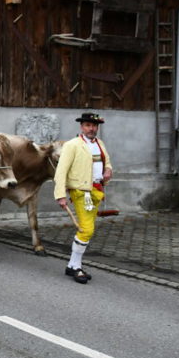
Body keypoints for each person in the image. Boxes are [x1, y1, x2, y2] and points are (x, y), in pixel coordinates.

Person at [54, 112, 113, 284]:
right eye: (88, 125)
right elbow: (61, 171)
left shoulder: (100, 144)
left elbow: (107, 162)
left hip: (97, 190)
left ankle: (72, 266)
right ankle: (75, 266)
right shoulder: (72, 145)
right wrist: (60, 195)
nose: (91, 128)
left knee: (87, 228)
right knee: (86, 229)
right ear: (82, 126)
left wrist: (108, 170)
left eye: (94, 126)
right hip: (80, 192)